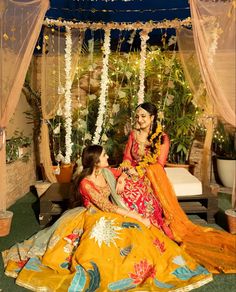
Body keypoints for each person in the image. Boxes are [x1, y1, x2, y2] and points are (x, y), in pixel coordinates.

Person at [2, 145, 213, 291]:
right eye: (103, 156)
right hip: (95, 217)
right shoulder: (86, 183)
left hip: (112, 214)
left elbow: (122, 170)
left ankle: (150, 264)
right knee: (121, 235)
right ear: (95, 161)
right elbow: (106, 206)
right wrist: (136, 215)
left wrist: (122, 178)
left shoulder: (106, 172)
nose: (107, 158)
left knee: (138, 233)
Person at [117, 102, 236, 274]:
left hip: (152, 175)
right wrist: (125, 172)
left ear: (152, 118)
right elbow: (127, 157)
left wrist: (138, 171)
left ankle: (149, 225)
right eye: (137, 116)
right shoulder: (133, 135)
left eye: (144, 116)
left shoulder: (161, 138)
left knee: (137, 192)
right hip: (132, 173)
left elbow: (159, 164)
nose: (140, 119)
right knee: (116, 183)